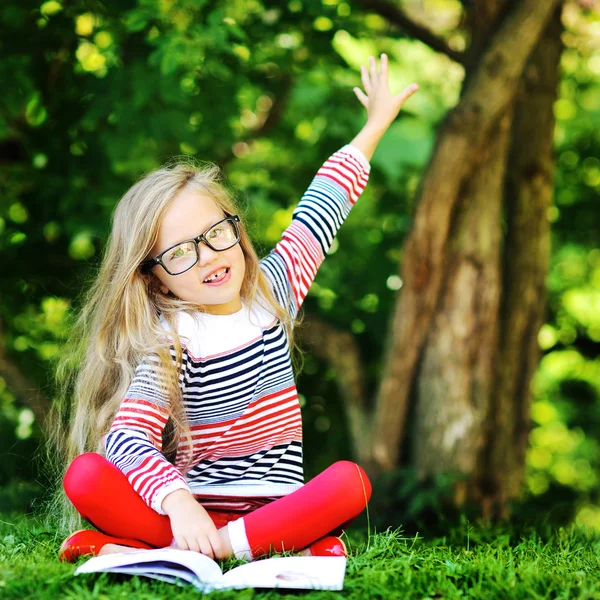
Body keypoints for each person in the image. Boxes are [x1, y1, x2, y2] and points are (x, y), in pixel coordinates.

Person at [56, 54, 418, 563]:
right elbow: (127, 438)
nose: (209, 257)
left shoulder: (274, 289)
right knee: (87, 475)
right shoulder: (170, 341)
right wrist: (179, 501)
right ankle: (229, 546)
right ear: (152, 276)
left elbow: (323, 204)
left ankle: (184, 549)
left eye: (215, 233)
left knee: (350, 484)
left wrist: (375, 125)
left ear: (235, 226)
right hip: (191, 514)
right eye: (180, 252)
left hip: (275, 507)